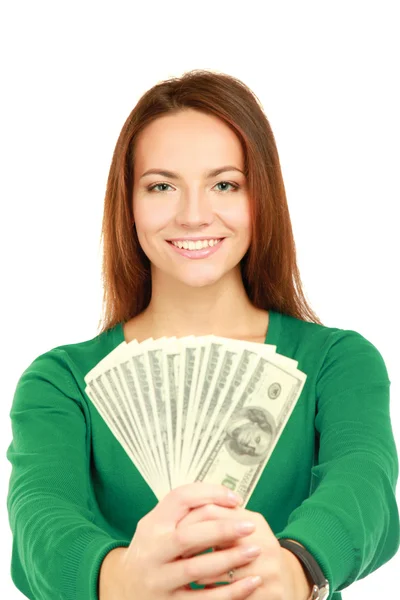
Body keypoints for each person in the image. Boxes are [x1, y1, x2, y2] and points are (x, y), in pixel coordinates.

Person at [6, 69, 399, 600]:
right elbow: (41, 518)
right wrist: (121, 580)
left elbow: (364, 485)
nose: (193, 215)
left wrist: (295, 567)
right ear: (129, 203)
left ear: (261, 198)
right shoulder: (63, 381)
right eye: (162, 186)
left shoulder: (337, 362)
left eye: (224, 184)